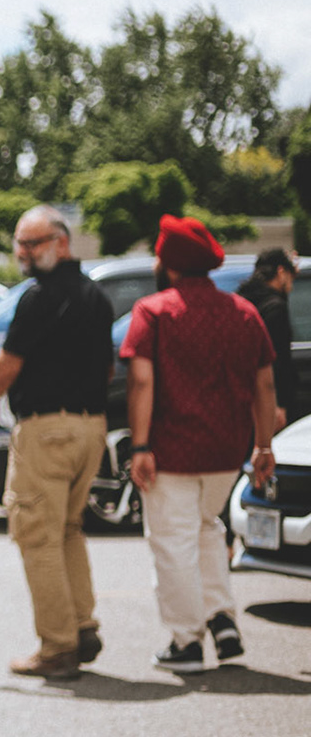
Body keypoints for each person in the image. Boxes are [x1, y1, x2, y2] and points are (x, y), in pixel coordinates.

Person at [0, 206, 115, 680]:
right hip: (90, 428)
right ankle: (81, 626)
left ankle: (58, 648)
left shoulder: (39, 298)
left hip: (47, 430)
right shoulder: (96, 297)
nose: (24, 253)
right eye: (20, 243)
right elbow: (107, 367)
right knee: (68, 529)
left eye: (33, 243)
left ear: (62, 243)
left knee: (37, 534)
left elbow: (7, 365)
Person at [122, 215, 276, 673]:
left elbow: (141, 382)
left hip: (170, 450)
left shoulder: (153, 311)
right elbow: (265, 384)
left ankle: (186, 640)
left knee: (173, 542)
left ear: (168, 263)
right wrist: (263, 445)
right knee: (208, 527)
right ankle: (222, 620)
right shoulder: (243, 312)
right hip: (227, 451)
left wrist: (139, 446)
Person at [236, 247, 298, 430]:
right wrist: (280, 404)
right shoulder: (275, 307)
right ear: (281, 272)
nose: (292, 285)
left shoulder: (241, 301)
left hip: (239, 392)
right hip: (267, 395)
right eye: (291, 277)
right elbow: (278, 358)